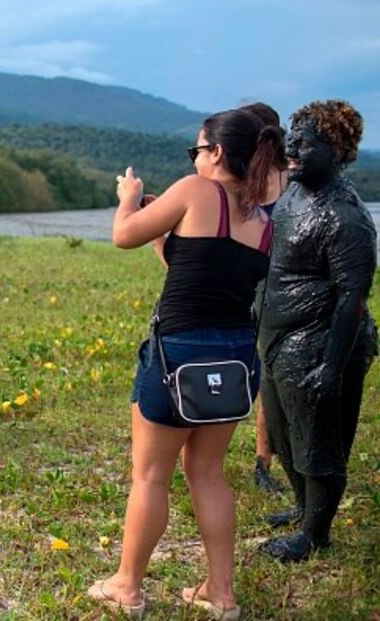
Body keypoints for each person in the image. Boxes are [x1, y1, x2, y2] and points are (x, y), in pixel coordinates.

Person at [88, 109, 283, 620]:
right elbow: (200, 272)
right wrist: (165, 240)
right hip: (235, 358)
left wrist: (128, 201)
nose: (195, 160)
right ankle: (221, 593)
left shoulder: (196, 192)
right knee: (209, 473)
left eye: (197, 150)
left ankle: (126, 586)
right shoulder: (263, 222)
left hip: (178, 355)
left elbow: (121, 235)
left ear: (216, 153)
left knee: (151, 476)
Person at [258, 100, 377, 562]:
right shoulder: (293, 194)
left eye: (305, 143)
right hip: (279, 342)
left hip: (318, 344)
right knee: (285, 435)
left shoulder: (346, 217)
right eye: (293, 137)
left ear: (337, 150)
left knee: (319, 443)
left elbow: (353, 298)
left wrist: (331, 366)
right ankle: (305, 508)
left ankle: (315, 533)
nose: (292, 148)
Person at [239, 102, 288, 494]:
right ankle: (264, 461)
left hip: (257, 282)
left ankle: (264, 460)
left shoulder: (242, 178)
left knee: (262, 370)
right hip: (278, 285)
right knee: (268, 372)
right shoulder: (292, 175)